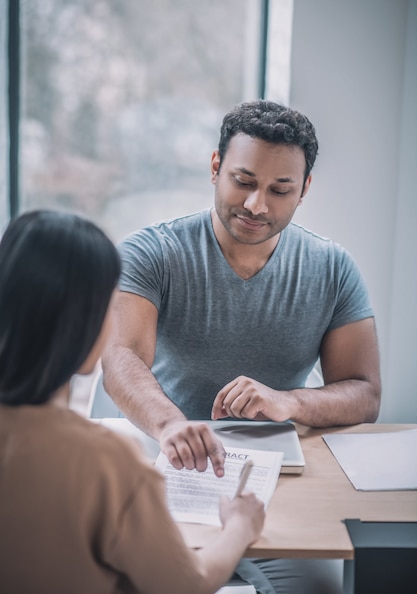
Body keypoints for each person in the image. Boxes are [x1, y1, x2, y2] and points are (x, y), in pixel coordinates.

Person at [101, 99, 382, 593]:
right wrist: (172, 425)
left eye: (280, 190)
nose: (257, 205)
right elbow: (120, 357)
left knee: (319, 589)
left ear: (304, 190)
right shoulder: (152, 252)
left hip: (277, 481)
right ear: (216, 167)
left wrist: (289, 401)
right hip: (171, 469)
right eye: (244, 181)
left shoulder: (333, 268)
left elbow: (365, 393)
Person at [0, 210, 265, 594]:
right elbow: (188, 584)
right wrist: (240, 526)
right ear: (85, 323)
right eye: (112, 306)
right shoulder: (105, 462)